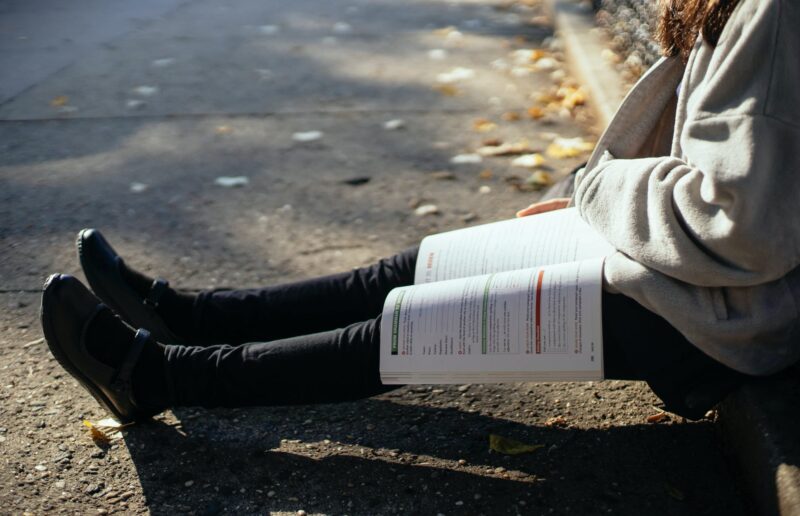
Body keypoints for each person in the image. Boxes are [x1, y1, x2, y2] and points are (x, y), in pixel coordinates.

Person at [41, 0, 800, 424]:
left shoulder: (772, 17)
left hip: (718, 312)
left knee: (412, 332)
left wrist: (602, 192)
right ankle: (193, 317)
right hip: (684, 264)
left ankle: (160, 377)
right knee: (412, 270)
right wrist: (587, 200)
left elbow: (744, 226)